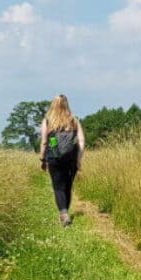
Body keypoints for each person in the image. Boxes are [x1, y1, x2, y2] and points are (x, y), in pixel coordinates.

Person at [39, 95, 85, 226]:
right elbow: (81, 141)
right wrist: (78, 159)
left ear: (53, 105)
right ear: (66, 104)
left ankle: (64, 213)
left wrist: (42, 159)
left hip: (54, 157)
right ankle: (65, 213)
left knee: (58, 187)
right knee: (67, 186)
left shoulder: (47, 121)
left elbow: (44, 142)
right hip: (71, 158)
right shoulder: (74, 121)